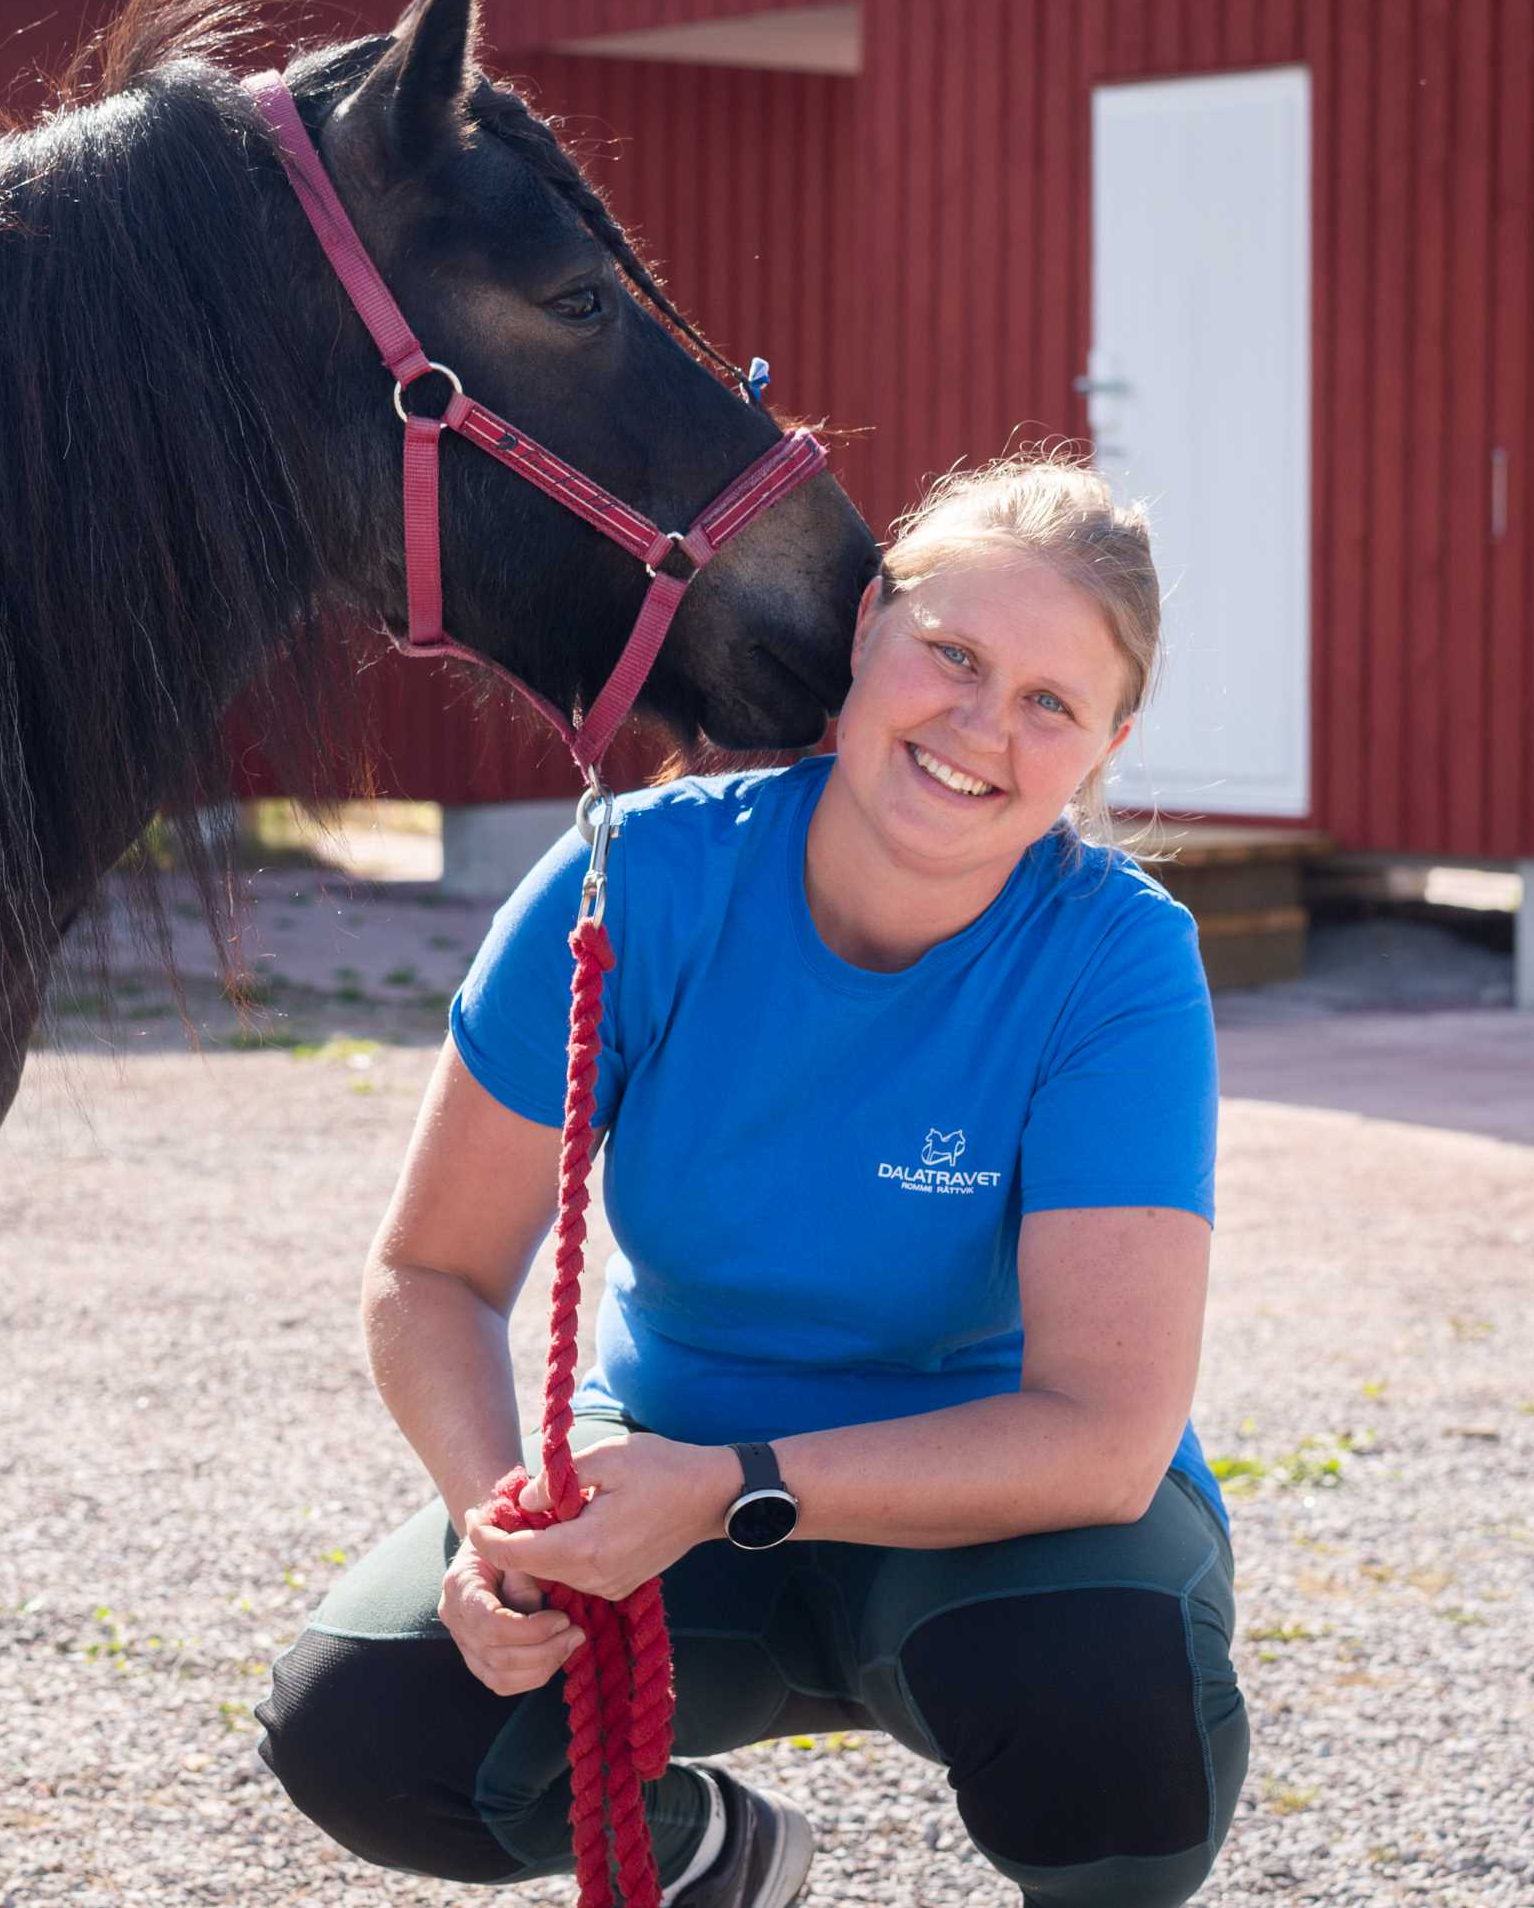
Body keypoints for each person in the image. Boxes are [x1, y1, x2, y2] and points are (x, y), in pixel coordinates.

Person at [255, 456, 1247, 1908]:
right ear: (864, 637)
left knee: (1111, 1704)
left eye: (1051, 702)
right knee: (365, 1726)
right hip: (665, 1467)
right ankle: (712, 1857)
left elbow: (1101, 1436)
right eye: (953, 654)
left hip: (992, 1525)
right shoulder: (636, 882)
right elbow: (432, 1274)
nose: (983, 725)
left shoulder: (1119, 961)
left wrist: (731, 1488)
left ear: (1108, 740)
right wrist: (498, 1519)